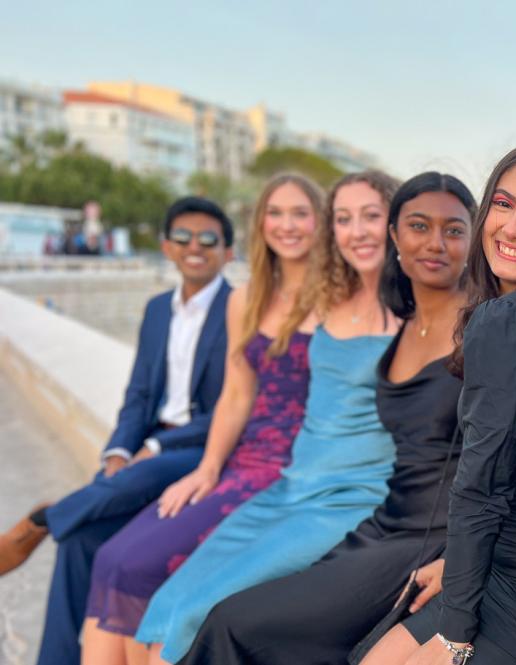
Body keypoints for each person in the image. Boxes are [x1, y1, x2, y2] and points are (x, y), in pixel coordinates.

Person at [177, 171, 476, 664]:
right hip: (385, 523)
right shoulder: (405, 322)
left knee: (235, 625)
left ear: (472, 237)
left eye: (454, 229)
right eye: (419, 226)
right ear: (396, 236)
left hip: (429, 540)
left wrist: (463, 557)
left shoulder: (483, 323)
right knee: (237, 620)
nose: (436, 243)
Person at [129, 170, 404, 664]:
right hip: (290, 487)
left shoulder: (412, 312)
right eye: (344, 218)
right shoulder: (333, 299)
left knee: (195, 618)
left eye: (371, 216)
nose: (357, 230)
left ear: (396, 222)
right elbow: (246, 386)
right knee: (166, 607)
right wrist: (210, 468)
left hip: (349, 500)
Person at [360, 140, 516, 665]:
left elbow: (482, 488)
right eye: (502, 204)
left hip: (511, 593)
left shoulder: (507, 319)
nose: (511, 227)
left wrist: (454, 637)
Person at [79, 173, 325, 665]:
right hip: (240, 461)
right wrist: (207, 469)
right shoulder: (246, 299)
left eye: (300, 213)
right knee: (112, 559)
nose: (287, 225)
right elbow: (237, 395)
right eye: (275, 213)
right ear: (260, 225)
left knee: (144, 573)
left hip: (295, 471)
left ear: (321, 222)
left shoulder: (340, 301)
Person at [0, 197, 233, 665]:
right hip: (152, 448)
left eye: (209, 239)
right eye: (183, 237)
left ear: (228, 251)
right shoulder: (155, 310)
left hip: (208, 448)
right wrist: (119, 449)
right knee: (81, 542)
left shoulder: (239, 309)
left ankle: (44, 519)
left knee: (142, 474)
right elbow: (138, 395)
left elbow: (235, 404)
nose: (195, 247)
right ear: (166, 246)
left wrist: (154, 445)